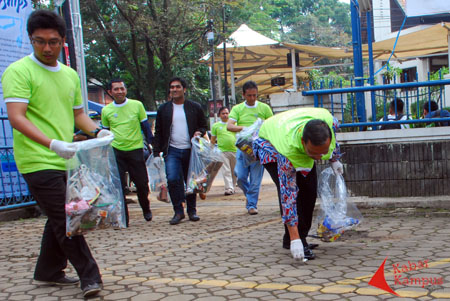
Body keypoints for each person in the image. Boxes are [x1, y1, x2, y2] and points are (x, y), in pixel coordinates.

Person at [1, 10, 106, 297]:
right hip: (37, 159)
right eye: (40, 41)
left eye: (54, 42)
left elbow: (80, 115)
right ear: (31, 39)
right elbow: (17, 117)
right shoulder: (19, 72)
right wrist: (51, 143)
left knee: (58, 216)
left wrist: (98, 132)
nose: (47, 48)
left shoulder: (70, 75)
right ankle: (90, 276)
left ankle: (47, 271)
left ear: (63, 42)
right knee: (68, 217)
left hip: (67, 158)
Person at [253, 107, 343, 261]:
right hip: (269, 145)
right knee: (296, 194)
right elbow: (288, 196)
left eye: (322, 152)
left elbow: (332, 138)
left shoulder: (330, 123)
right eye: (314, 153)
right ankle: (296, 239)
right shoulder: (286, 150)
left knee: (309, 191)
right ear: (303, 142)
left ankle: (295, 238)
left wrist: (334, 158)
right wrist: (296, 238)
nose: (318, 157)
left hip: (292, 132)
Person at [152, 77, 207, 225]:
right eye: (172, 87)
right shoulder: (163, 109)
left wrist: (199, 133)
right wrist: (156, 153)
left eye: (177, 87)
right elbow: (158, 132)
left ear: (184, 89)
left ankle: (192, 211)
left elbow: (203, 126)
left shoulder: (194, 107)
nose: (174, 89)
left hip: (191, 150)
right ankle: (178, 211)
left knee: (191, 181)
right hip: (172, 151)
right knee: (173, 179)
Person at [101, 79, 154, 226]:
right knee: (119, 186)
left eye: (122, 89)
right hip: (116, 151)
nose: (119, 92)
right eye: (116, 90)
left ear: (126, 90)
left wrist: (153, 144)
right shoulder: (106, 111)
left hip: (136, 150)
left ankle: (146, 207)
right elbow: (104, 133)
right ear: (110, 92)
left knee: (142, 184)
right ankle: (123, 217)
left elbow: (146, 128)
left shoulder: (137, 105)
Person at [227, 81, 273, 215]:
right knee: (240, 176)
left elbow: (272, 125)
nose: (252, 98)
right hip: (243, 148)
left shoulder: (265, 108)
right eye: (249, 96)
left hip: (258, 149)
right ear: (243, 95)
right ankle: (250, 196)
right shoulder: (237, 109)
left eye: (255, 95)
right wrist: (244, 129)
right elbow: (229, 126)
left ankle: (252, 204)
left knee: (255, 179)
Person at [211, 107, 237, 195]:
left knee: (235, 171)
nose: (225, 115)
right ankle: (229, 188)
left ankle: (233, 186)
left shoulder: (234, 124)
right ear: (219, 115)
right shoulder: (216, 126)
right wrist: (210, 151)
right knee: (226, 170)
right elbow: (213, 140)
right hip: (222, 151)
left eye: (226, 113)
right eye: (223, 113)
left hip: (235, 150)